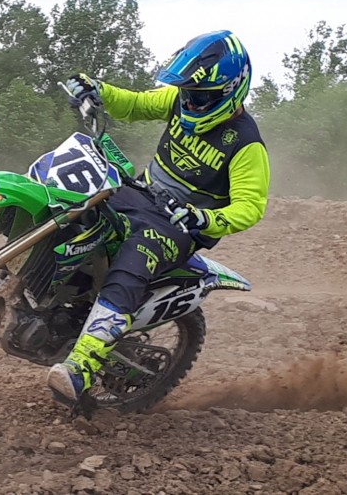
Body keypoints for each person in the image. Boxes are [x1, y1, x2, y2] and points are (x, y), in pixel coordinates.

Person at [46, 30, 271, 403]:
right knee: (69, 202)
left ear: (230, 90)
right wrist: (96, 90)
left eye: (201, 96)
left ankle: (82, 365)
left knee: (133, 264)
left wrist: (202, 219)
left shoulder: (246, 144)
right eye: (187, 92)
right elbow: (134, 104)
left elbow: (250, 206)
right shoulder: (179, 100)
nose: (191, 101)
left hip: (176, 226)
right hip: (140, 193)